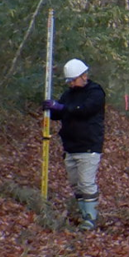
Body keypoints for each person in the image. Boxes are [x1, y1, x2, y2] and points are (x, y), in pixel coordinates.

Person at [43, 58, 105, 231]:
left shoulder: (95, 93)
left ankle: (90, 218)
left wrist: (62, 108)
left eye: (73, 80)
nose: (70, 84)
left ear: (83, 76)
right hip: (70, 146)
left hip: (89, 146)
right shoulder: (69, 94)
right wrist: (51, 109)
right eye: (69, 81)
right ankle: (82, 213)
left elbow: (84, 110)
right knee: (76, 184)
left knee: (86, 183)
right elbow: (60, 113)